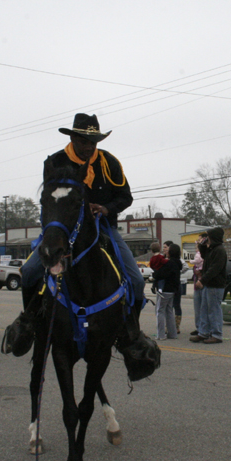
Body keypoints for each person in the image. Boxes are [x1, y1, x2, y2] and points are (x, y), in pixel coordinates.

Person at [20, 113, 145, 317]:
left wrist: (105, 208)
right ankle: (30, 320)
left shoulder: (109, 162)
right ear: (72, 139)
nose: (89, 147)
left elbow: (125, 197)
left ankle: (132, 332)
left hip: (103, 227)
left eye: (93, 143)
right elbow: (49, 199)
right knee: (29, 272)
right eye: (83, 142)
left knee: (137, 280)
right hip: (63, 230)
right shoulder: (56, 161)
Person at [190, 227, 227, 344]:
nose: (207, 239)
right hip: (209, 285)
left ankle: (216, 334)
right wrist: (202, 245)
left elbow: (214, 269)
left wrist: (203, 280)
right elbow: (204, 256)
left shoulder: (220, 250)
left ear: (213, 237)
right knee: (204, 309)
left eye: (208, 237)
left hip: (215, 285)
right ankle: (203, 332)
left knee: (214, 310)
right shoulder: (212, 249)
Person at [152, 244, 182, 340]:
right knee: (169, 311)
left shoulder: (169, 263)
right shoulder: (178, 263)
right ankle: (172, 333)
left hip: (164, 290)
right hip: (172, 290)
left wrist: (154, 273)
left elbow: (159, 274)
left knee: (159, 311)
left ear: (171, 252)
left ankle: (160, 335)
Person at [189, 233, 208, 336]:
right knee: (197, 307)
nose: (199, 241)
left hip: (204, 283)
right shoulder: (199, 253)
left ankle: (205, 329)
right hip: (197, 283)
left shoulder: (206, 253)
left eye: (201, 240)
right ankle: (199, 327)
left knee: (204, 307)